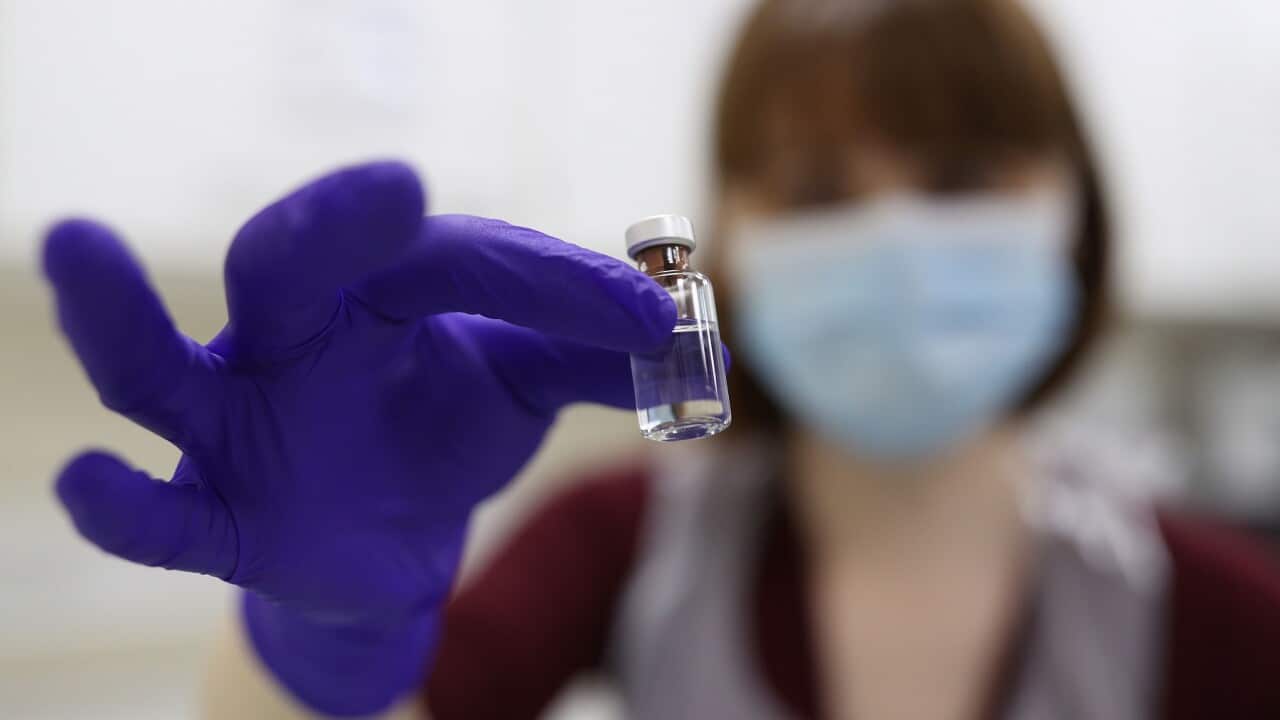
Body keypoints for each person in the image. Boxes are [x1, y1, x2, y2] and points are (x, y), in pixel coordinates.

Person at [41, 0, 1280, 718]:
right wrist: (317, 639)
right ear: (727, 232)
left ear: (1078, 214)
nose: (894, 236)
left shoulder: (1223, 617)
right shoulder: (621, 543)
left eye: (959, 177)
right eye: (815, 188)